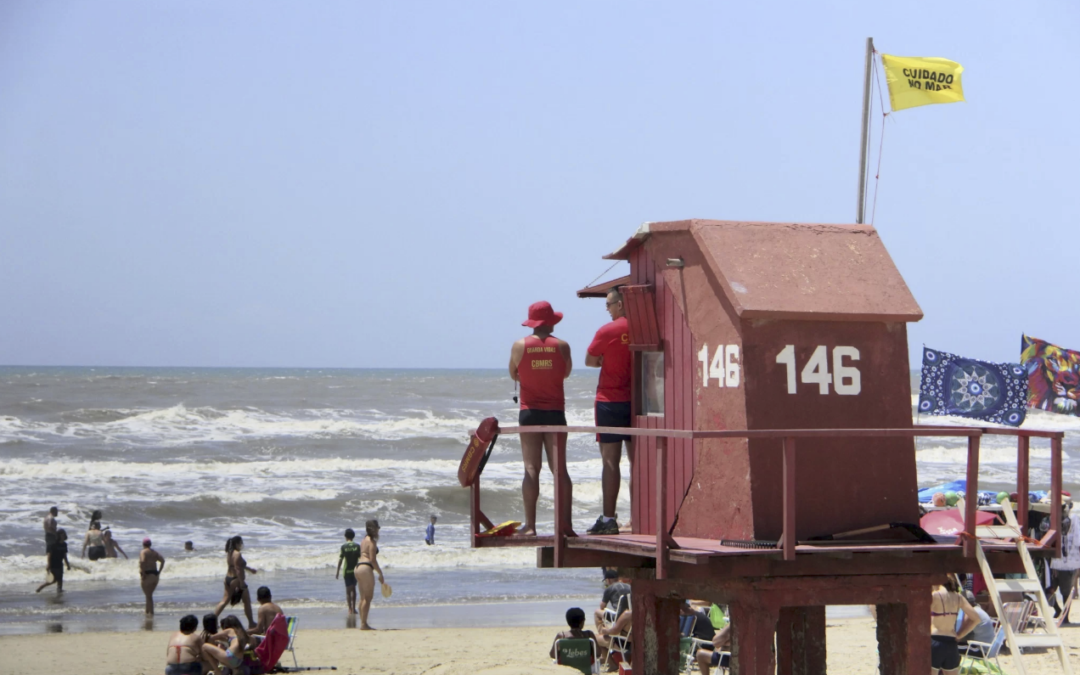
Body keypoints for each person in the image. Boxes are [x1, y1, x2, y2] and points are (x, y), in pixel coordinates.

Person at [508, 300, 573, 537]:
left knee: (531, 468)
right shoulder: (562, 346)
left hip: (529, 412)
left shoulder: (519, 345)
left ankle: (531, 526)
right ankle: (565, 526)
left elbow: (513, 373)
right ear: (550, 322)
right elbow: (566, 373)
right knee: (560, 469)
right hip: (555, 411)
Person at [585, 288, 633, 535]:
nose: (607, 309)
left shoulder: (607, 330)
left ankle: (609, 519)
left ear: (620, 305)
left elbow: (589, 361)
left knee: (610, 462)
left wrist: (605, 360)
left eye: (609, 304)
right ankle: (638, 517)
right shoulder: (641, 328)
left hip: (609, 401)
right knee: (637, 462)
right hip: (637, 402)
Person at [931, 575, 980, 675]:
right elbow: (976, 619)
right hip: (951, 642)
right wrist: (960, 634)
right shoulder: (958, 597)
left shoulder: (934, 596)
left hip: (934, 641)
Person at [214, 535, 258, 629]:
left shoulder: (230, 553)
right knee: (247, 601)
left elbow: (236, 565)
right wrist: (242, 582)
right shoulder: (237, 554)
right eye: (241, 543)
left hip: (228, 578)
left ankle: (212, 620)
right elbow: (238, 569)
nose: (241, 545)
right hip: (236, 579)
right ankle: (251, 623)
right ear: (237, 544)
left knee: (224, 601)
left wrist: (250, 569)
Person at [356, 519, 385, 630]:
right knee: (367, 598)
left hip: (358, 567)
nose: (378, 531)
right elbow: (372, 559)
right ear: (374, 529)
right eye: (378, 528)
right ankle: (364, 624)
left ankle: (362, 622)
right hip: (366, 568)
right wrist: (380, 573)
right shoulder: (372, 542)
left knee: (362, 598)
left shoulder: (363, 540)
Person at [593, 569, 630, 633]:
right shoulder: (629, 587)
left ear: (608, 580)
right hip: (630, 615)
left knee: (597, 612)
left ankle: (602, 633)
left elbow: (602, 606)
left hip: (617, 616)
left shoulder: (609, 589)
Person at [336, 528, 362, 615]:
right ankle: (354, 608)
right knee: (354, 590)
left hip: (347, 571)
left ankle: (350, 609)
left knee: (348, 591)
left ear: (345, 536)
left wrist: (337, 572)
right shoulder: (357, 546)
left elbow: (340, 560)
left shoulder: (344, 547)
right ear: (353, 536)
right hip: (355, 571)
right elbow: (361, 559)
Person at [35, 529, 70, 594]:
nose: (63, 536)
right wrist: (48, 564)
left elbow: (65, 556)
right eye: (61, 535)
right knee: (53, 580)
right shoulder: (54, 544)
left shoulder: (64, 544)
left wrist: (67, 564)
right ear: (58, 536)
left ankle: (59, 590)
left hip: (60, 563)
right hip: (53, 563)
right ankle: (40, 587)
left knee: (60, 578)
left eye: (64, 534)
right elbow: (49, 555)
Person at [139, 537, 165, 615]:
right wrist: (159, 571)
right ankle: (147, 612)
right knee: (149, 595)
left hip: (148, 574)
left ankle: (151, 613)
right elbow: (162, 561)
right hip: (155, 575)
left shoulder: (143, 552)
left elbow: (143, 561)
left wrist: (143, 573)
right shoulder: (155, 552)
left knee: (148, 595)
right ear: (150, 544)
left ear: (143, 544)